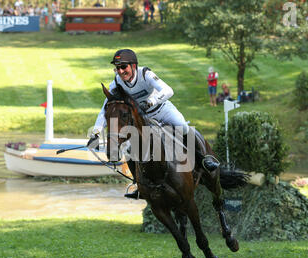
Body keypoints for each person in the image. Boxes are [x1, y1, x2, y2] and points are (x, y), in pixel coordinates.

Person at [88, 49, 221, 199]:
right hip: (143, 119)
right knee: (131, 150)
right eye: (117, 68)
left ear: (133, 65)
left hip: (162, 109)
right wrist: (96, 133)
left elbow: (168, 90)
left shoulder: (145, 74)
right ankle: (139, 185)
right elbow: (105, 109)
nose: (120, 71)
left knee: (182, 126)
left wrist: (152, 101)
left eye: (123, 67)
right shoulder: (117, 82)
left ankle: (203, 159)